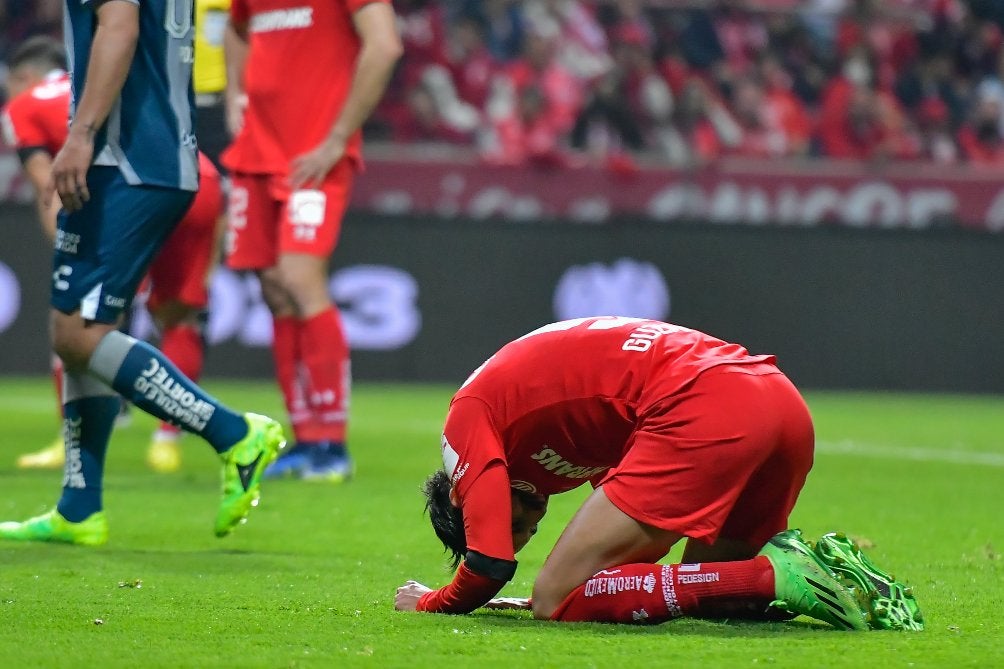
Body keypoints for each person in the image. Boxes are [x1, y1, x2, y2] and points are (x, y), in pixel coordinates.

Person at [395, 317, 923, 631]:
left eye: (513, 524)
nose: (524, 534)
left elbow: (489, 565)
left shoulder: (467, 419)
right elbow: (624, 565)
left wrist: (429, 601)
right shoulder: (548, 441)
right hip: (775, 400)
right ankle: (831, 579)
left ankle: (775, 572)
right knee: (722, 601)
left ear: (464, 496)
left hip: (704, 406)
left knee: (556, 598)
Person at [0, 0, 285, 546]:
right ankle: (78, 508)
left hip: (122, 158)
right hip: (162, 155)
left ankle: (235, 433)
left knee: (81, 332)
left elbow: (121, 25)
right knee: (74, 326)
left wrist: (81, 135)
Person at [1, 35, 225, 475]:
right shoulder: (99, 80)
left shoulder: (23, 106)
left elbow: (51, 190)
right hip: (199, 179)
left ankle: (76, 444)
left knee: (76, 316)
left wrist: (69, 258)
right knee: (179, 315)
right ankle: (168, 440)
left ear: (24, 78)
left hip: (134, 193)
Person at [222, 0, 402, 480]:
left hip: (313, 157)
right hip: (257, 153)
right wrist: (235, 94)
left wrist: (339, 136)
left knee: (300, 280)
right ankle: (306, 440)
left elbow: (384, 45)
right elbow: (236, 30)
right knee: (275, 291)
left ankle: (333, 445)